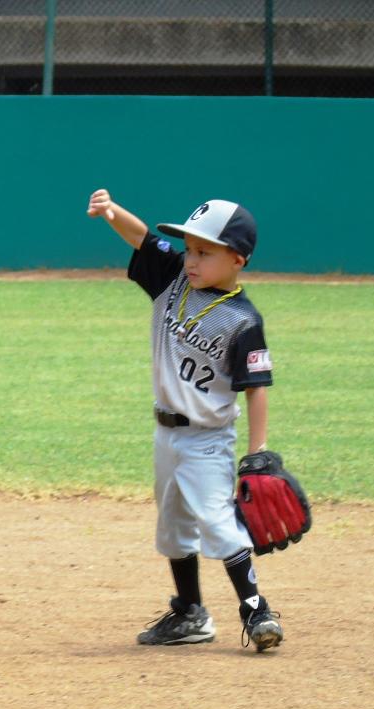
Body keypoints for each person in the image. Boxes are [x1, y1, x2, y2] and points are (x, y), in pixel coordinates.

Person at [86, 188, 284, 652]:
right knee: (172, 524)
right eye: (189, 249)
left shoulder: (242, 320)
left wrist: (256, 452)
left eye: (203, 252)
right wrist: (112, 212)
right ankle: (190, 613)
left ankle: (256, 610)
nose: (190, 260)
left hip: (208, 439)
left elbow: (256, 388)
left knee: (216, 522)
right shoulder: (174, 278)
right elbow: (141, 239)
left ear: (237, 259)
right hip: (165, 435)